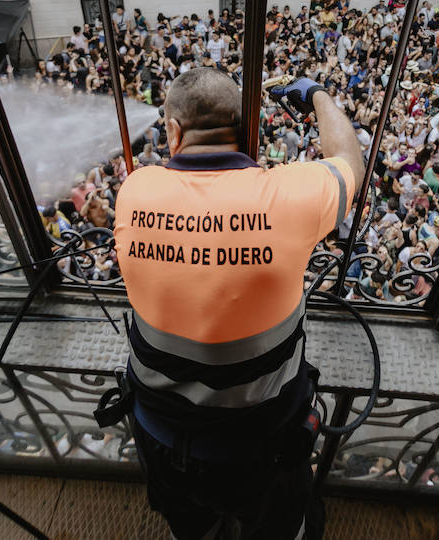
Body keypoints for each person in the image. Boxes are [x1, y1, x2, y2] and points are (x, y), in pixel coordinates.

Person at [110, 67, 363, 540]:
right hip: (263, 444)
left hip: (162, 434)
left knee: (189, 527)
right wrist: (317, 95)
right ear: (250, 127)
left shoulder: (134, 192)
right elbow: (350, 159)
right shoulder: (291, 195)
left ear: (172, 130)